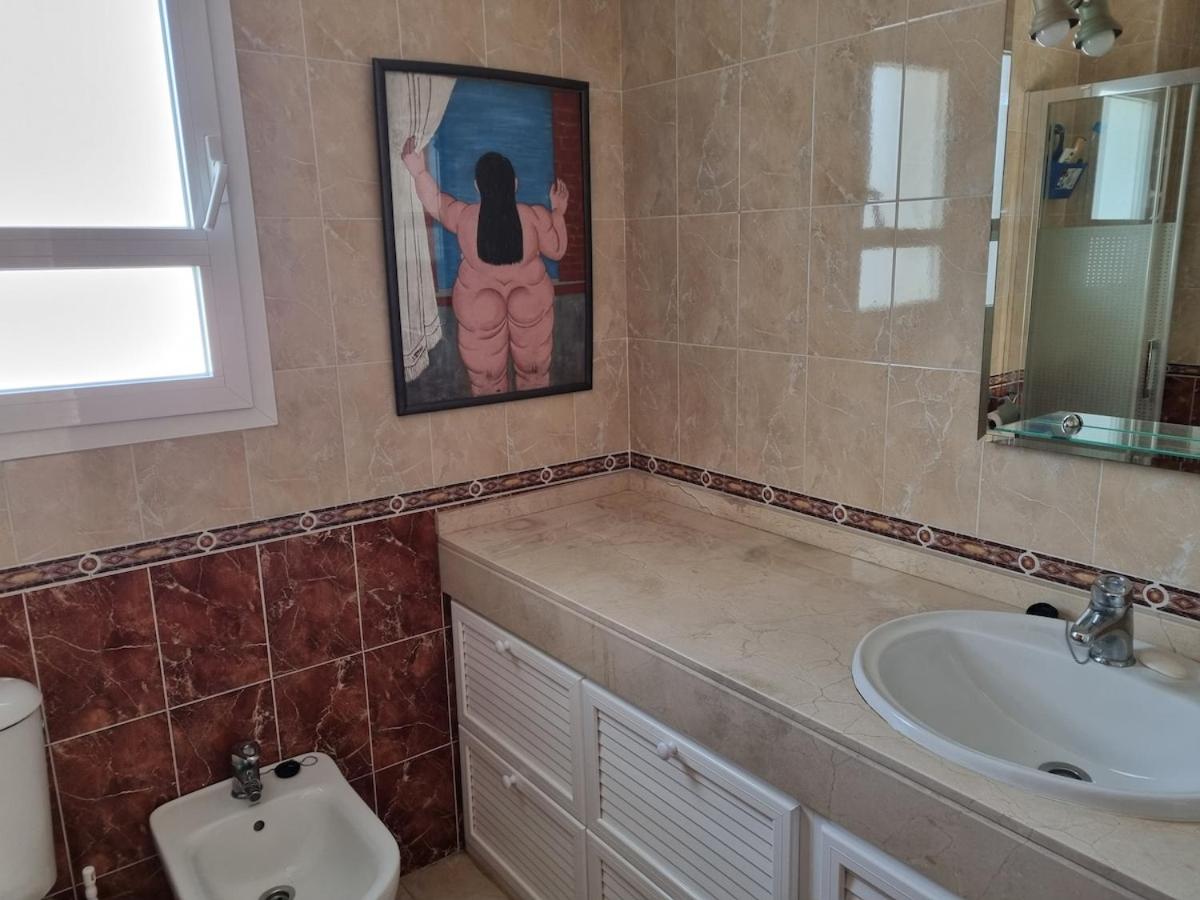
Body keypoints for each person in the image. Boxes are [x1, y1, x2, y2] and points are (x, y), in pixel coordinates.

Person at [401, 138, 569, 394]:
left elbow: (435, 202)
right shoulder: (535, 216)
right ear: (515, 184)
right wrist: (558, 212)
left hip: (478, 302)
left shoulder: (464, 216)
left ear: (477, 186)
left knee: (486, 382)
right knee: (535, 375)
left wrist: (419, 172)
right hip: (531, 298)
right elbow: (557, 250)